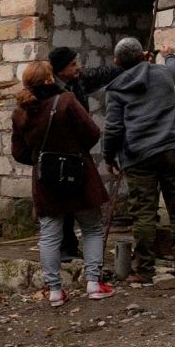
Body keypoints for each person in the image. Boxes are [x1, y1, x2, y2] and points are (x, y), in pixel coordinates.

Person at [11, 60, 115, 307]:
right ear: (49, 79)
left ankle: (55, 291)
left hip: (45, 180)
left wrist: (42, 161)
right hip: (79, 174)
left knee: (49, 235)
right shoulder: (67, 100)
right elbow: (92, 132)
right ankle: (93, 283)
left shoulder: (20, 112)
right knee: (91, 228)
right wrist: (72, 151)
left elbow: (19, 152)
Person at [102, 37, 175, 285]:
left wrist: (108, 156)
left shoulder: (115, 89)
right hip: (171, 150)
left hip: (138, 156)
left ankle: (145, 271)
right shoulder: (163, 74)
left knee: (144, 213)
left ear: (116, 61)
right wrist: (168, 54)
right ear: (144, 56)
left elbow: (113, 128)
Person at [46, 47, 124, 260]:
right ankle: (64, 248)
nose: (78, 67)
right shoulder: (48, 89)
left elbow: (103, 74)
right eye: (72, 64)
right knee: (59, 205)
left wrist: (131, 61)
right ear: (60, 70)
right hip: (54, 154)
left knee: (75, 199)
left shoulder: (78, 81)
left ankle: (69, 247)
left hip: (76, 152)